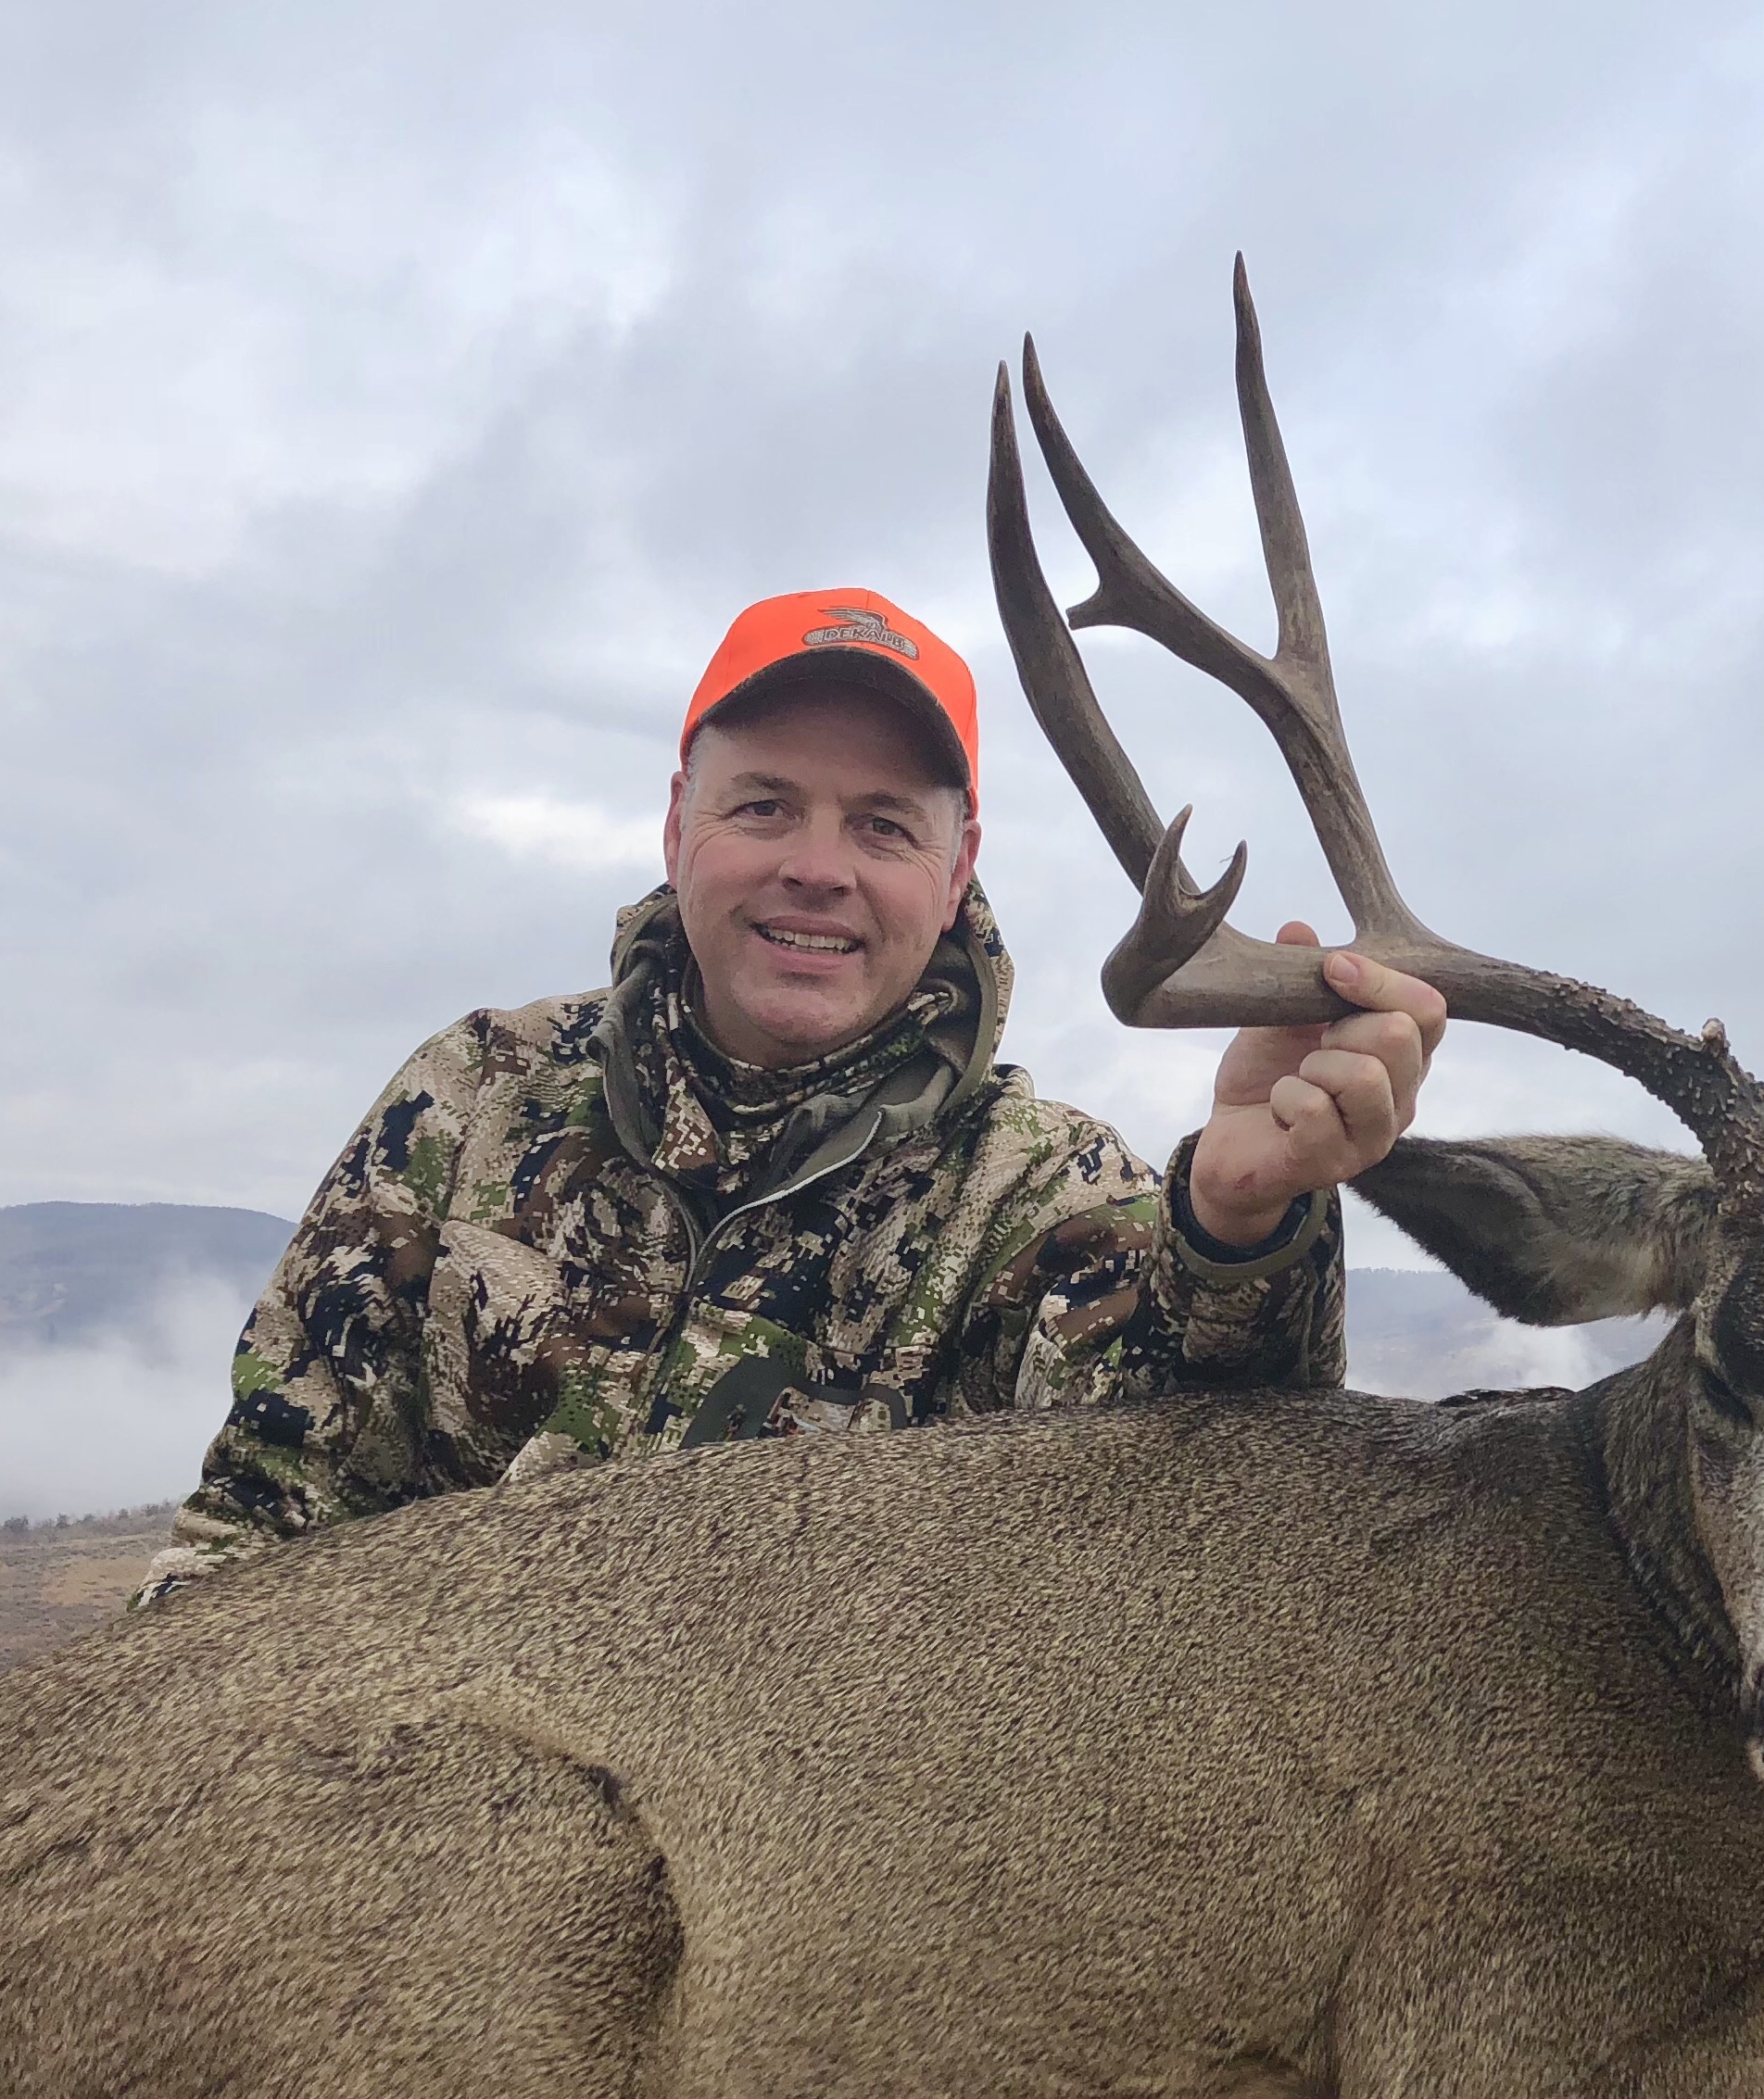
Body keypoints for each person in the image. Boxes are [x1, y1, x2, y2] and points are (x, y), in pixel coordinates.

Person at [138, 588, 1443, 1597]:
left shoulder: (1042, 1199)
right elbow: (263, 1518)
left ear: (956, 868)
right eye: (764, 806)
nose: (818, 869)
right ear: (676, 823)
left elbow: (1194, 1525)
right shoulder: (473, 1096)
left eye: (882, 826)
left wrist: (1238, 1234)